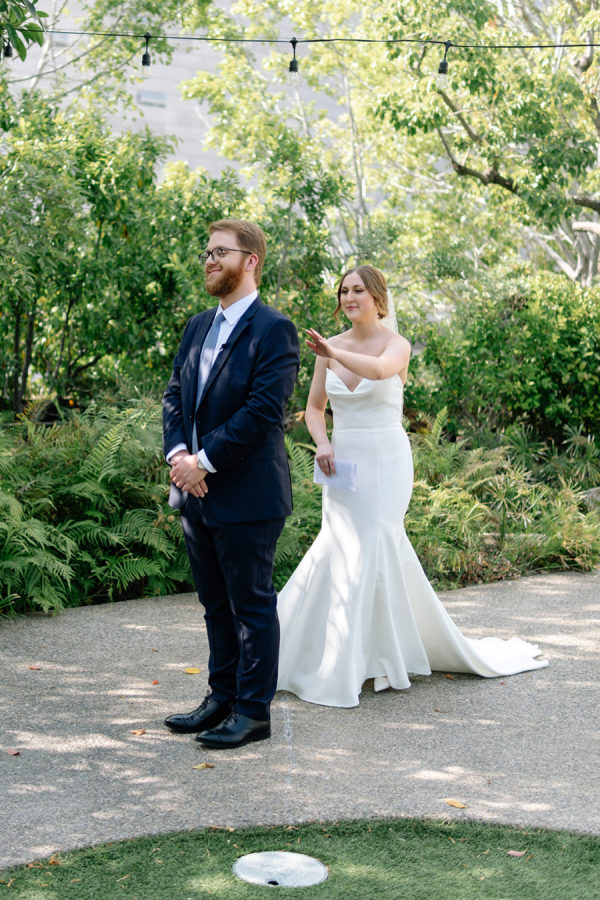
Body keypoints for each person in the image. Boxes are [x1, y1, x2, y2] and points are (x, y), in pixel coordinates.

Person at [276, 264, 547, 707]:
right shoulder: (330, 346)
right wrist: (322, 442)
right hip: (342, 462)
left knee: (375, 542)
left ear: (378, 298)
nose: (349, 298)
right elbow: (314, 408)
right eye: (344, 291)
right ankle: (340, 655)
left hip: (385, 461)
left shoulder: (395, 345)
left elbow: (380, 370)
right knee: (340, 544)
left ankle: (378, 657)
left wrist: (333, 352)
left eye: (358, 290)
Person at [162, 219, 300, 746]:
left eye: (221, 252)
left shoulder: (274, 329)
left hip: (248, 493)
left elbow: (263, 411)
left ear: (251, 261)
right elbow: (175, 394)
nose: (210, 260)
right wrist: (180, 456)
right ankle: (220, 697)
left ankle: (253, 712)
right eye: (207, 252)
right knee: (215, 605)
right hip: (194, 492)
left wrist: (204, 461)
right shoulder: (197, 325)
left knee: (251, 605)